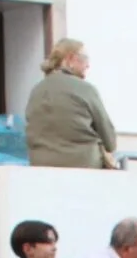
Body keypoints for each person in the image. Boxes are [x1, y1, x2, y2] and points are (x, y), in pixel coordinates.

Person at [24, 37, 117, 169]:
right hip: (84, 167)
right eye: (85, 59)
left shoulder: (36, 90)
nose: (88, 65)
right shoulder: (86, 89)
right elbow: (110, 141)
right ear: (71, 59)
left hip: (41, 167)